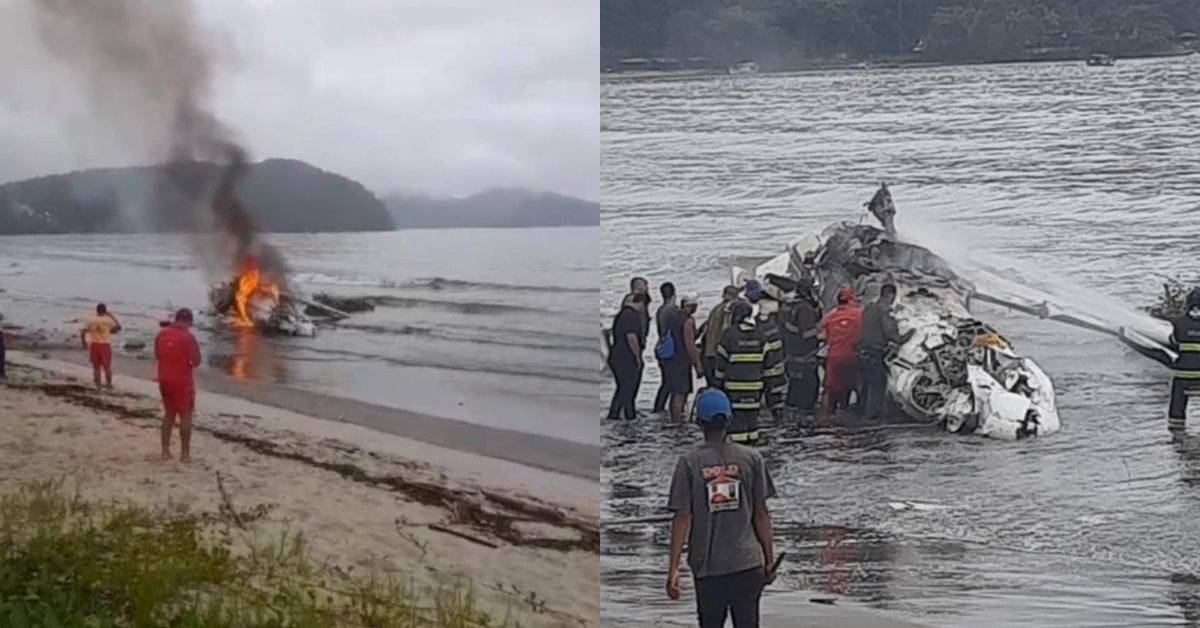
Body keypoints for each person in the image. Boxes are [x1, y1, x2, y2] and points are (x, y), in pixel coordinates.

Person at [666, 388, 777, 628]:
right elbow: (761, 515)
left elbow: (682, 517)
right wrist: (769, 560)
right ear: (729, 420)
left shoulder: (689, 463)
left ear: (698, 422)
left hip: (709, 568)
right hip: (747, 563)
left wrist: (674, 568)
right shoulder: (752, 459)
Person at [715, 301, 779, 446]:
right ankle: (752, 453)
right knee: (752, 422)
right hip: (755, 389)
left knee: (737, 424)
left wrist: (717, 386)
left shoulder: (728, 335)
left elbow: (720, 367)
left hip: (733, 389)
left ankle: (738, 455)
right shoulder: (760, 335)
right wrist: (769, 389)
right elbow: (769, 367)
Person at [855, 284, 914, 421]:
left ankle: (859, 417)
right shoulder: (885, 310)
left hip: (860, 353)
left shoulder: (869, 308)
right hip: (874, 355)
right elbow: (891, 333)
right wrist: (907, 335)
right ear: (891, 296)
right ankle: (870, 423)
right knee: (876, 389)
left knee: (865, 388)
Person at [155, 308, 201, 462]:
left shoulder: (161, 334)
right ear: (189, 321)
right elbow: (196, 361)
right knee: (185, 415)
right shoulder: (188, 337)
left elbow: (157, 355)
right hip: (182, 382)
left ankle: (164, 451)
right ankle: (185, 454)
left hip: (164, 380)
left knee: (169, 414)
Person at [818, 288, 863, 416]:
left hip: (834, 357)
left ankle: (826, 416)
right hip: (853, 356)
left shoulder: (831, 316)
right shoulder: (860, 313)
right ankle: (845, 411)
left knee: (829, 389)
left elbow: (820, 335)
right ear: (850, 300)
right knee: (851, 386)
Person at [745, 282, 787, 414]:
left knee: (764, 396)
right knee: (774, 396)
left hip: (765, 364)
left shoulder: (752, 316)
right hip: (772, 363)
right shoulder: (772, 313)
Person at [782, 278, 822, 415]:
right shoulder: (805, 309)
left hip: (792, 356)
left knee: (794, 391)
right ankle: (804, 423)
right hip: (805, 358)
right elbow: (808, 334)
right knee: (808, 393)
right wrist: (823, 335)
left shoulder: (793, 305)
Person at [608, 292, 650, 420]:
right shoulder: (632, 316)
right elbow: (631, 337)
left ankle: (614, 415)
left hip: (615, 356)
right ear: (641, 303)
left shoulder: (621, 315)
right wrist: (638, 357)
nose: (644, 309)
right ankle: (629, 416)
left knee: (622, 388)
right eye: (644, 305)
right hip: (626, 358)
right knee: (629, 390)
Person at [663, 294, 705, 423]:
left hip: (669, 357)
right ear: (691, 306)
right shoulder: (688, 320)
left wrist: (701, 328)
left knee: (674, 392)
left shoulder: (671, 317)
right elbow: (689, 344)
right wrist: (697, 364)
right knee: (681, 393)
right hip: (681, 360)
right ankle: (677, 421)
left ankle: (673, 419)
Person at [1168, 289, 1200, 434]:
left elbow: (1173, 341)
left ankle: (1176, 430)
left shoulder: (1179, 322)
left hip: (1183, 375)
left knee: (1178, 399)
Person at [701, 286, 742, 387]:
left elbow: (705, 330)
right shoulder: (729, 310)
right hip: (720, 355)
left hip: (709, 354)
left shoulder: (715, 310)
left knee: (713, 387)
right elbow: (726, 331)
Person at [80, 303, 122, 390]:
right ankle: (108, 385)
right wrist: (112, 316)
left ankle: (98, 387)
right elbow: (118, 327)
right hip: (105, 345)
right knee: (107, 367)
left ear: (97, 310)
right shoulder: (108, 320)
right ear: (105, 311)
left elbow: (83, 332)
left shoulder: (91, 320)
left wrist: (84, 343)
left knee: (96, 367)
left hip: (95, 344)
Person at [653, 282, 680, 414]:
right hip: (671, 350)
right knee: (671, 383)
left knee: (666, 382)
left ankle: (659, 407)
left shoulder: (660, 310)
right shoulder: (673, 310)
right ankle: (662, 409)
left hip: (662, 347)